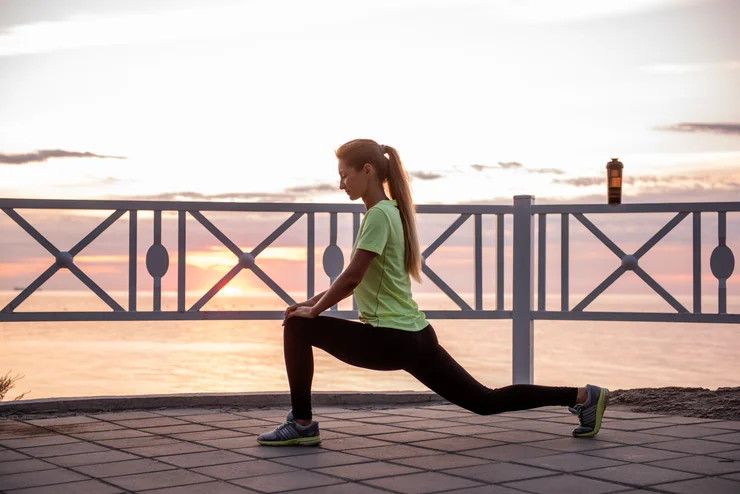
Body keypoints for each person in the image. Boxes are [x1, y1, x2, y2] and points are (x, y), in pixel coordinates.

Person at [257, 138, 608, 447]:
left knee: (298, 327)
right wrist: (310, 303)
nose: (340, 184)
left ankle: (302, 424)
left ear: (366, 171)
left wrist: (313, 312)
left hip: (390, 340)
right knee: (484, 401)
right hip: (417, 337)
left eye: (344, 174)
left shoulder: (378, 215)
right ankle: (582, 396)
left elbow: (350, 279)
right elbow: (358, 278)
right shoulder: (393, 212)